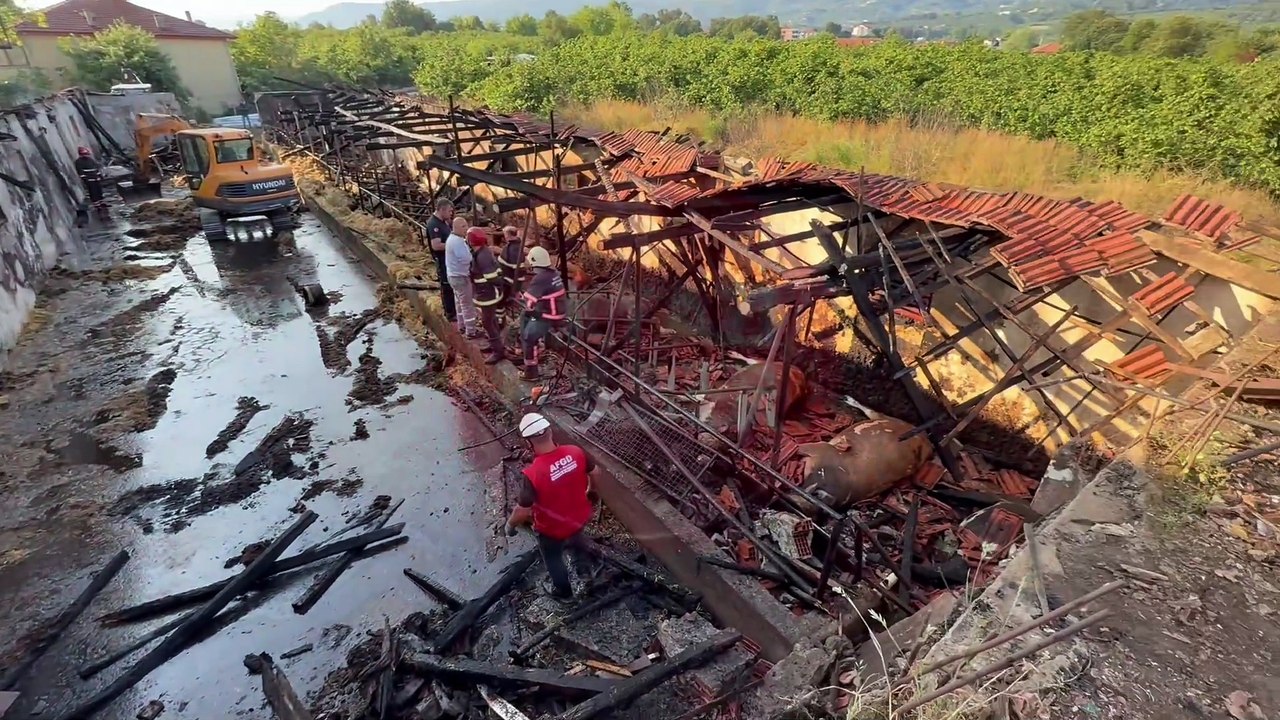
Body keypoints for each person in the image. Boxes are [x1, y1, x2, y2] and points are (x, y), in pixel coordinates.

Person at [505, 412, 598, 600]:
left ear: (528, 442)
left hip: (552, 529)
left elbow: (523, 510)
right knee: (578, 542)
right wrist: (591, 490)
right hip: (579, 516)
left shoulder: (533, 474)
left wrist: (510, 525)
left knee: (553, 559)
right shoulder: (575, 452)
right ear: (550, 432)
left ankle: (564, 592)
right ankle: (585, 574)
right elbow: (596, 472)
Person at [518, 246, 566, 381]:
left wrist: (527, 306)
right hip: (556, 311)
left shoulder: (540, 279)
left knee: (529, 336)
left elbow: (529, 300)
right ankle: (535, 348)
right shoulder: (553, 273)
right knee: (525, 319)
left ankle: (531, 372)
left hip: (548, 315)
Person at [467, 227, 506, 364]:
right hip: (485, 293)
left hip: (488, 294)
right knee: (491, 320)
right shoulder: (481, 252)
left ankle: (498, 351)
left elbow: (491, 277)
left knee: (487, 322)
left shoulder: (482, 255)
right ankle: (495, 345)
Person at [445, 217, 480, 338]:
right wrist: (472, 255)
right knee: (467, 304)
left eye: (466, 225)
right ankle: (471, 331)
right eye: (464, 227)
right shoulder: (458, 242)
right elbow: (466, 259)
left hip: (453, 276)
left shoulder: (452, 239)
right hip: (461, 277)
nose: (466, 229)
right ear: (457, 228)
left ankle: (462, 325)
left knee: (459, 302)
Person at [424, 199, 457, 324]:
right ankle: (450, 313)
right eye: (449, 211)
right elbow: (436, 245)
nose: (451, 213)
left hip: (448, 259)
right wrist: (453, 245)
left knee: (451, 284)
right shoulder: (434, 225)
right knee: (446, 285)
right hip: (442, 260)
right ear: (442, 210)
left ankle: (453, 310)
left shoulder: (443, 222)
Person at [497, 225, 525, 318]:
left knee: (500, 301)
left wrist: (516, 288)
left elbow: (518, 270)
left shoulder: (513, 249)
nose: (504, 236)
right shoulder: (514, 246)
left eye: (505, 234)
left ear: (508, 235)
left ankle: (500, 320)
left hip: (508, 282)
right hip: (507, 279)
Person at [74, 146, 106, 214]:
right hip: (89, 180)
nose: (86, 155)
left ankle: (101, 202)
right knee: (93, 192)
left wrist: (99, 175)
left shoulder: (90, 160)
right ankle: (97, 205)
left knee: (99, 191)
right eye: (84, 154)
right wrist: (85, 179)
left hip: (95, 178)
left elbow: (96, 168)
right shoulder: (78, 162)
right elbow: (80, 172)